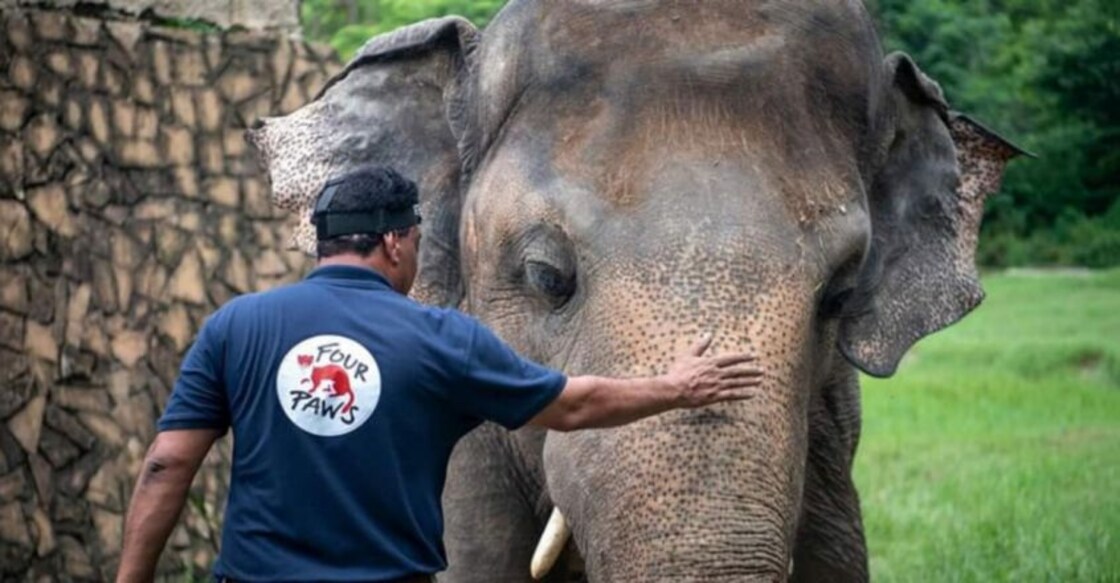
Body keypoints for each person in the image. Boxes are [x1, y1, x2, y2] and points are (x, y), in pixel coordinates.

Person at [116, 166, 764, 583]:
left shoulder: (235, 325)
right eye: (419, 243)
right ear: (396, 242)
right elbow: (570, 405)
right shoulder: (440, 338)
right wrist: (678, 387)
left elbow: (166, 465)